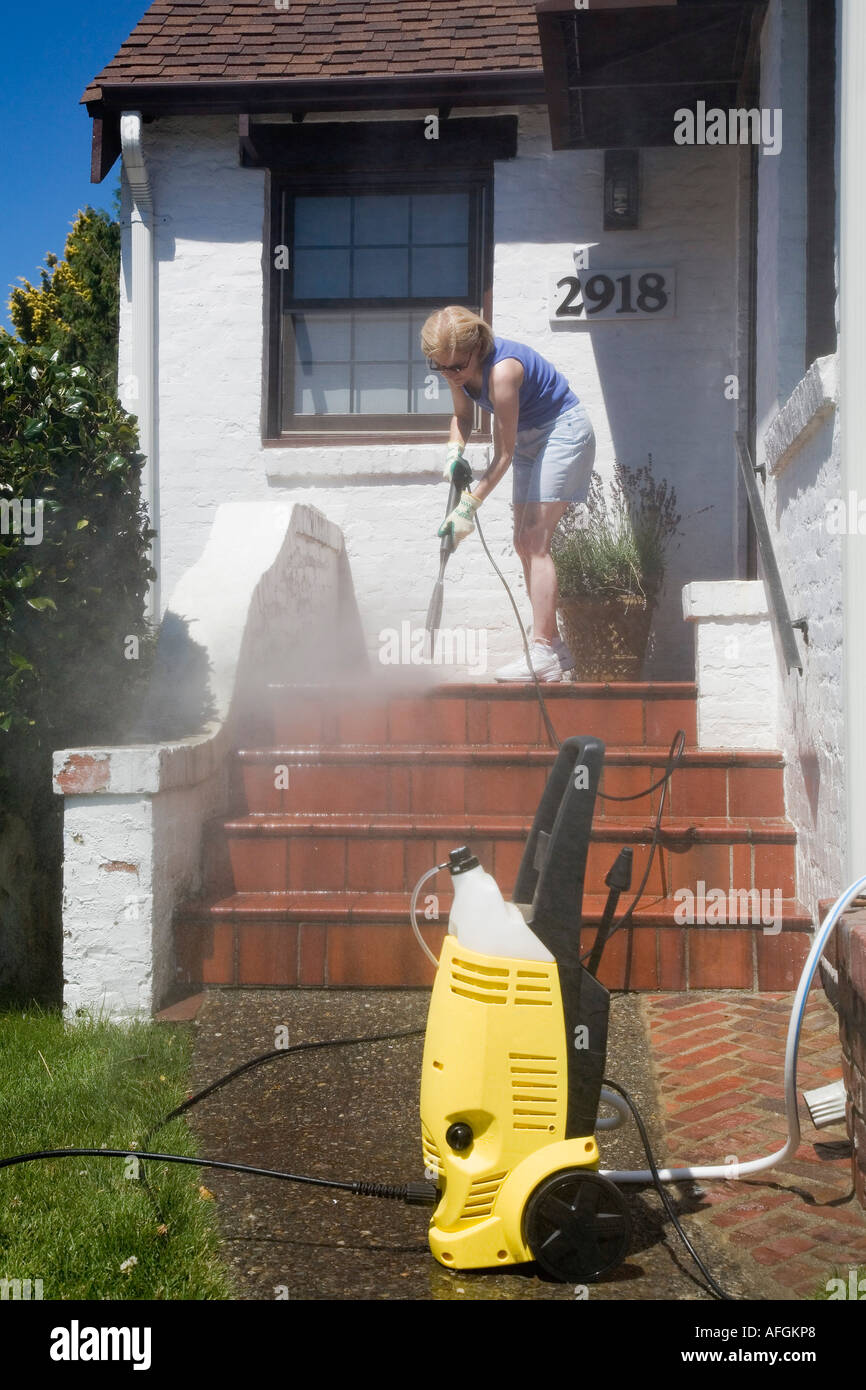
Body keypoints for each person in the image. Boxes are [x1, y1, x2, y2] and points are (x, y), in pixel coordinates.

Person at [421, 306, 596, 682]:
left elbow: (502, 454)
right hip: (530, 440)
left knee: (536, 540)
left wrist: (468, 506)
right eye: (441, 367)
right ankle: (555, 646)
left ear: (478, 347)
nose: (450, 375)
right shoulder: (457, 367)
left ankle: (543, 649)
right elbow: (464, 418)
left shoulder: (503, 373)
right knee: (521, 542)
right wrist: (454, 452)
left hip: (562, 431)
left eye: (457, 367)